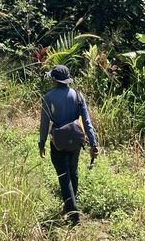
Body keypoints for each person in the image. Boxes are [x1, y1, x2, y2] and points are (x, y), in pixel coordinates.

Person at [38, 65, 99, 226]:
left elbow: (44, 123)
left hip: (57, 142)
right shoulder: (78, 96)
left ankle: (73, 215)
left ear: (54, 80)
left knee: (64, 177)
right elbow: (86, 121)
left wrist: (41, 142)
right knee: (73, 173)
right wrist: (93, 143)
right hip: (76, 141)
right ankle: (71, 205)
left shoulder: (48, 97)